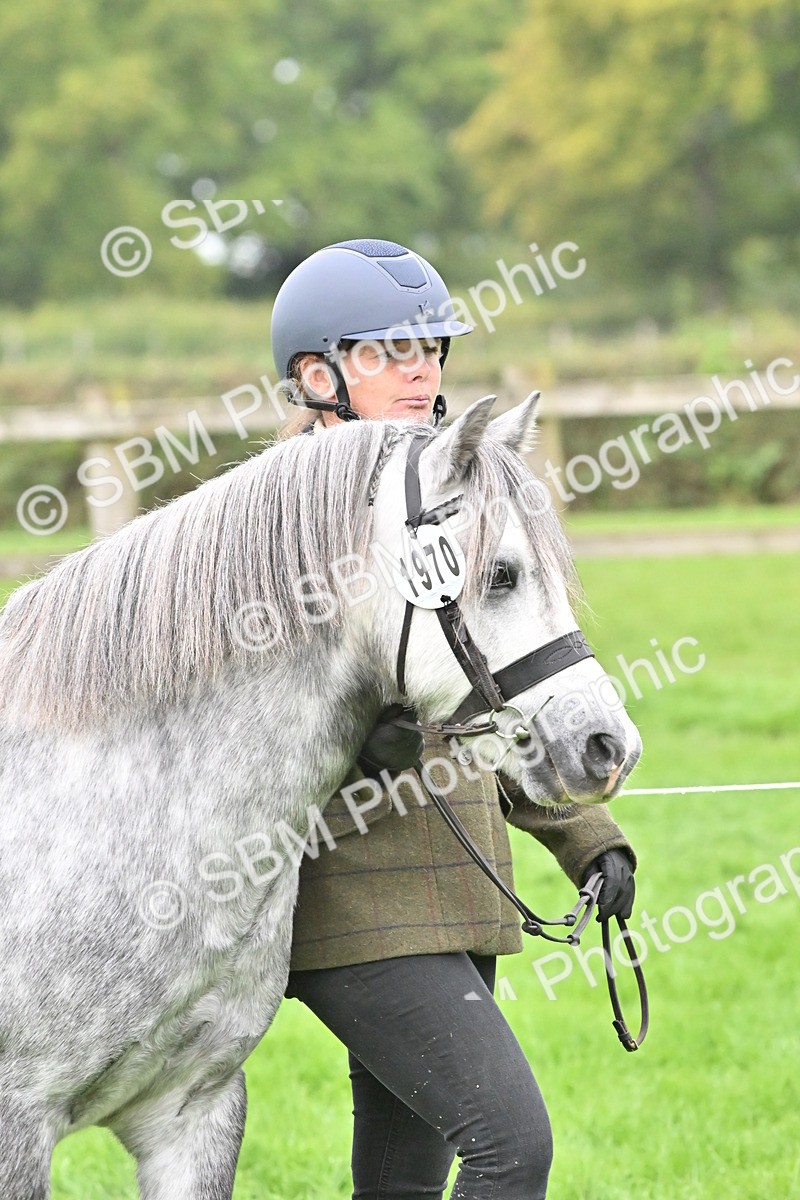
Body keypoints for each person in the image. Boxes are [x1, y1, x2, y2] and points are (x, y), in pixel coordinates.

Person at [272, 239, 637, 1199]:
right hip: (358, 911)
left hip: (459, 896)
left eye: (432, 346)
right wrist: (366, 749)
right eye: (390, 349)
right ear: (318, 374)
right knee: (512, 1149)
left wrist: (588, 836)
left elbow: (502, 683)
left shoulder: (442, 497)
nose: (423, 367)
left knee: (397, 1186)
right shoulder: (274, 526)